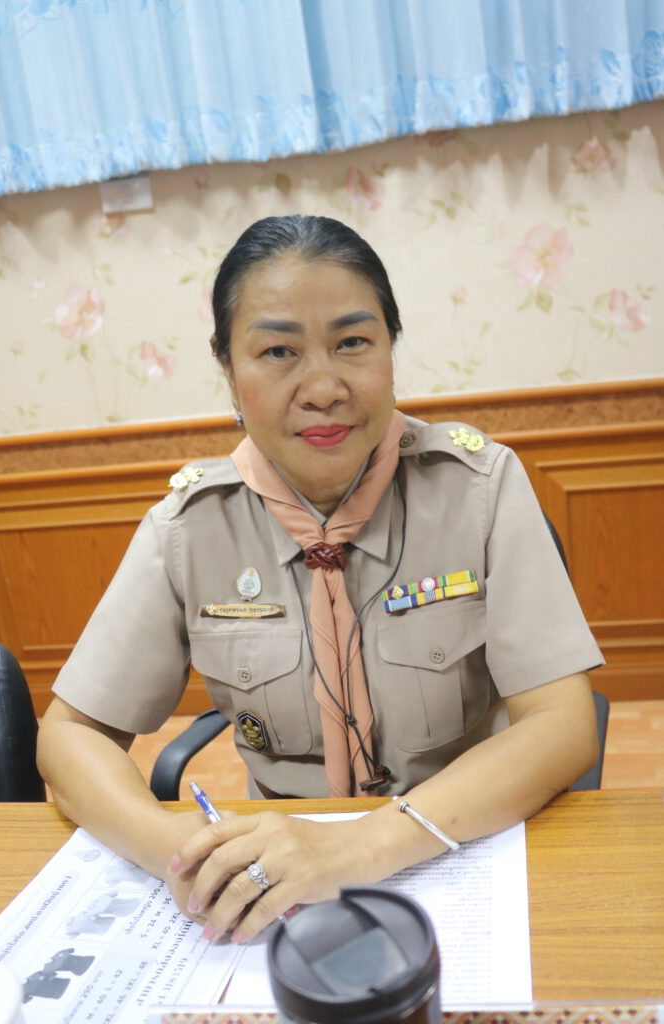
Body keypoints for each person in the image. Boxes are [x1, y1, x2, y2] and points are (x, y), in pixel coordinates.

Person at [38, 214, 603, 946]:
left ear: (391, 347)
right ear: (228, 369)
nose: (324, 388)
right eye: (278, 351)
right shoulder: (189, 527)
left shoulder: (479, 488)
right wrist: (176, 855)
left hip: (459, 843)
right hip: (281, 882)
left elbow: (562, 723)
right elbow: (69, 737)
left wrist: (359, 848)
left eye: (353, 343)